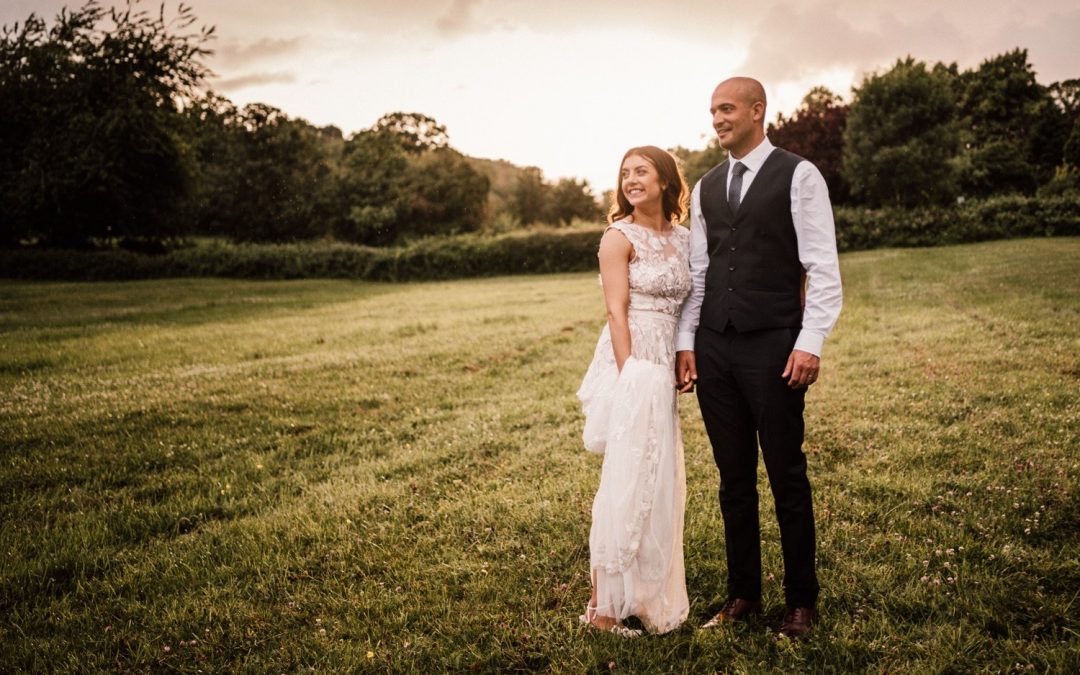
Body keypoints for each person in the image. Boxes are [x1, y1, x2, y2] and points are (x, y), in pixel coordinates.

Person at [675, 77, 843, 640]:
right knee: (733, 479)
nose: (717, 118)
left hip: (774, 345)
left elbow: (822, 265)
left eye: (726, 108)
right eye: (712, 109)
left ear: (757, 110)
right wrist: (686, 342)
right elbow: (699, 274)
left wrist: (810, 341)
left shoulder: (798, 175)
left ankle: (801, 601)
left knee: (786, 474)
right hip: (715, 348)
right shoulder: (705, 187)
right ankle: (743, 592)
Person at [576, 146, 692, 637]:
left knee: (657, 473)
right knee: (626, 476)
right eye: (625, 173)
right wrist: (631, 376)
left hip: (666, 357)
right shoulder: (617, 237)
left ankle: (644, 593)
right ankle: (602, 609)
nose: (630, 180)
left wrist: (685, 355)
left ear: (665, 180)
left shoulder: (685, 238)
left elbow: (691, 303)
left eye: (641, 171)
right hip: (634, 360)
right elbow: (615, 311)